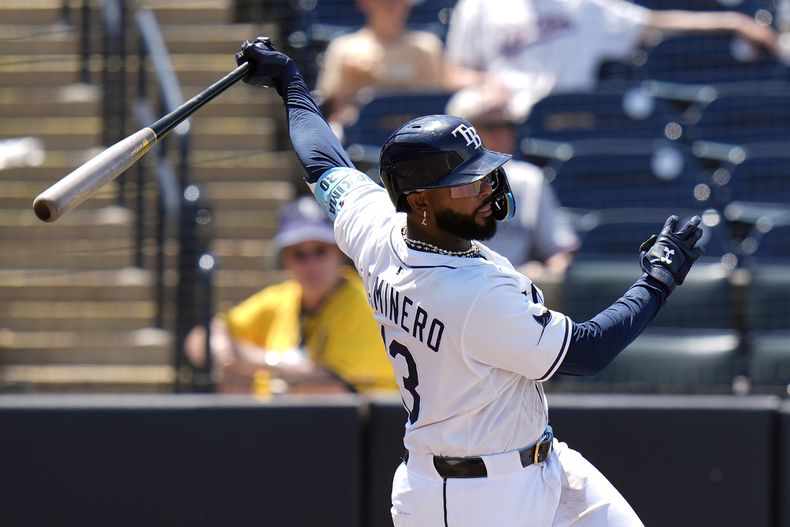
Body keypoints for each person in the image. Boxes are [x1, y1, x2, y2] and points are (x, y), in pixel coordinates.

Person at [236, 37, 704, 526]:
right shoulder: (471, 294)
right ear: (420, 201)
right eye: (466, 185)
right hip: (470, 498)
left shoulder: (375, 226)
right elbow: (587, 352)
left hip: (543, 461)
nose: (485, 192)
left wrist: (290, 84)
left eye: (484, 177)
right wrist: (657, 282)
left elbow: (323, 158)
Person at [185, 195, 396, 395]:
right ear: (285, 259)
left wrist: (253, 361)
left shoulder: (367, 303)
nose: (311, 264)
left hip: (358, 428)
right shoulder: (282, 297)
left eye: (320, 250)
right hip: (280, 424)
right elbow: (199, 340)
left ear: (340, 252)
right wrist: (229, 359)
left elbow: (332, 388)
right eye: (299, 254)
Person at [445, 0, 780, 120]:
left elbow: (653, 23)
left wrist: (731, 23)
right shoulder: (479, 5)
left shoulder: (585, 6)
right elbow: (453, 70)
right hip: (501, 123)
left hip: (569, 121)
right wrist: (487, 85)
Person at [445, 86, 580, 287]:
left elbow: (559, 251)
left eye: (509, 125)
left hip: (516, 292)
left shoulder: (529, 179)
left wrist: (547, 276)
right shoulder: (440, 183)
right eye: (492, 126)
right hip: (457, 288)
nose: (505, 134)